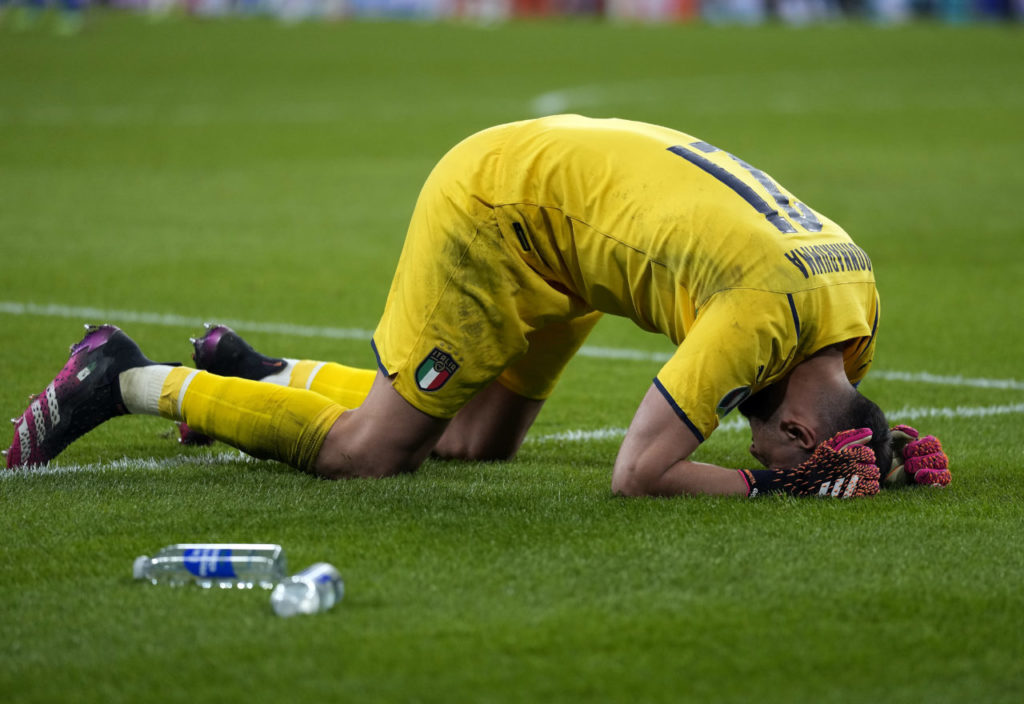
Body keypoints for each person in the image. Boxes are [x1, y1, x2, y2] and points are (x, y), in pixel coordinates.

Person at [4, 115, 951, 496]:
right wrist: (768, 487)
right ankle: (125, 376)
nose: (751, 442)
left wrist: (878, 454)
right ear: (794, 417)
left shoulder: (851, 300)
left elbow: (834, 417)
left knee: (473, 445)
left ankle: (261, 376)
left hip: (573, 233)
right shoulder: (769, 319)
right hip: (505, 209)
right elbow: (638, 472)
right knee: (376, 453)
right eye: (769, 442)